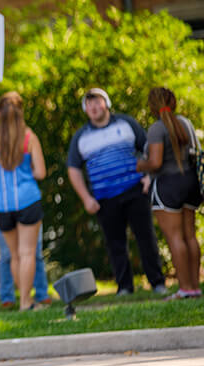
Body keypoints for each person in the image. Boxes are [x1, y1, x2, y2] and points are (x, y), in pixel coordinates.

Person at [67, 88, 166, 296]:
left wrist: (149, 177)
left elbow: (149, 150)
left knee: (146, 237)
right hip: (105, 198)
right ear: (86, 109)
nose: (93, 107)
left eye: (97, 101)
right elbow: (73, 169)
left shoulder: (126, 123)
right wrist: (86, 198)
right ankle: (125, 287)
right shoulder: (81, 137)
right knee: (115, 244)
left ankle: (157, 282)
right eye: (89, 103)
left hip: (134, 190)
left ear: (106, 104)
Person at [0, 92, 46, 311]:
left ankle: (22, 299)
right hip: (28, 200)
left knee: (15, 255)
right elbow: (41, 172)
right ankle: (27, 302)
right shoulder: (29, 137)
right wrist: (27, 171)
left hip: (2, 204)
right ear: (20, 112)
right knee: (28, 253)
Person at [136, 87, 201, 300]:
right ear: (173, 102)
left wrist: (138, 165)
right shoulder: (185, 123)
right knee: (190, 236)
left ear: (152, 106)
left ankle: (184, 289)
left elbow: (155, 163)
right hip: (191, 182)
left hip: (168, 186)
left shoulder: (157, 128)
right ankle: (195, 287)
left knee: (175, 238)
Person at [0, 224, 50, 308]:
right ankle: (13, 298)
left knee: (34, 253)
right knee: (9, 255)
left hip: (26, 212)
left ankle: (40, 295)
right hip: (5, 212)